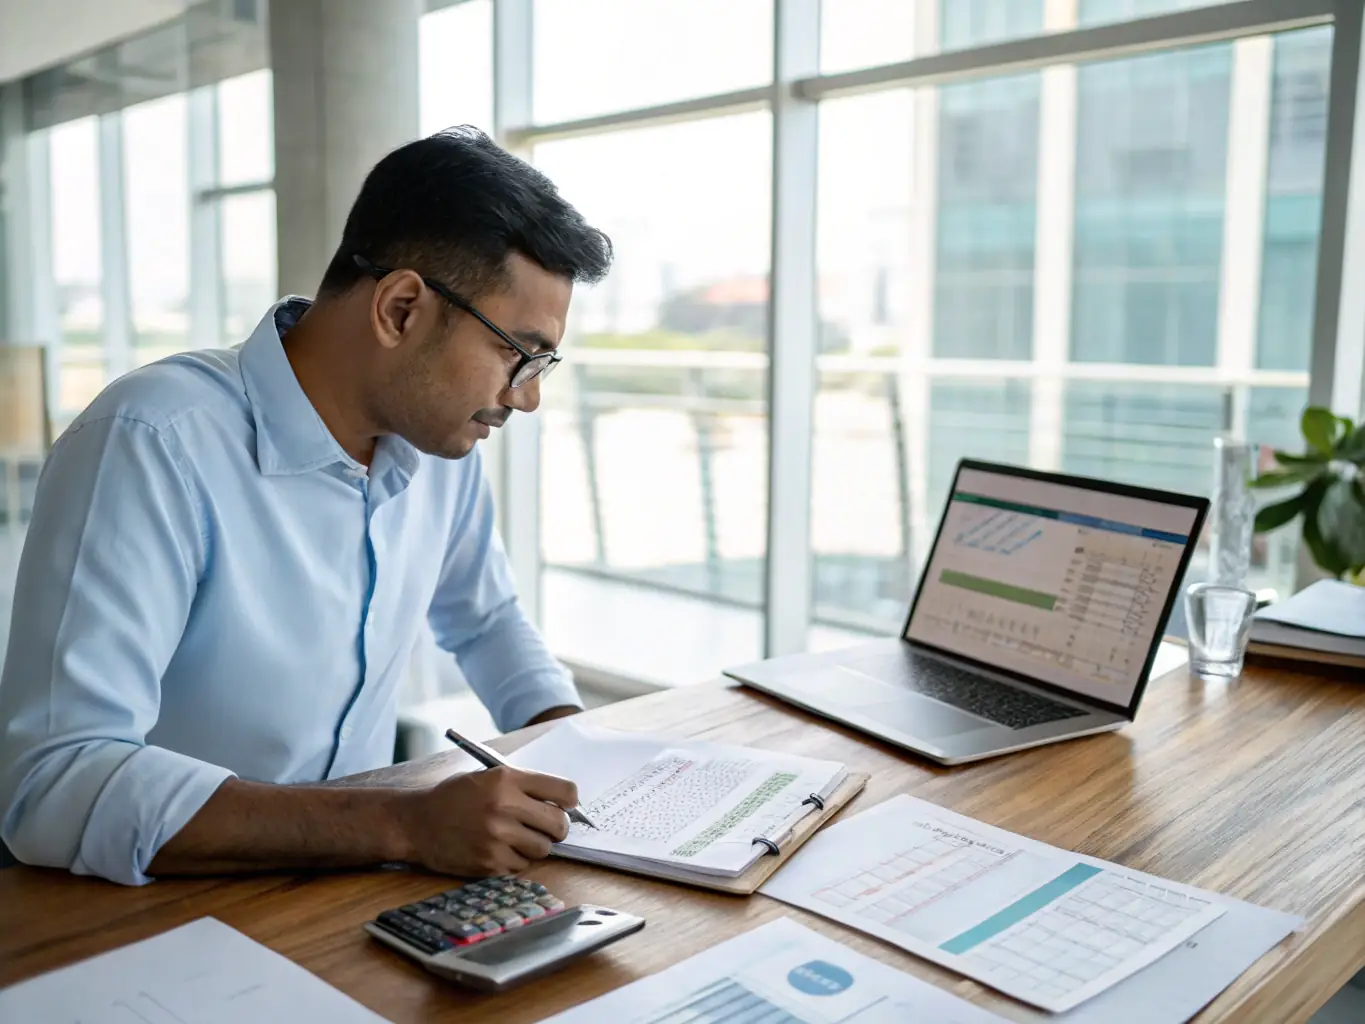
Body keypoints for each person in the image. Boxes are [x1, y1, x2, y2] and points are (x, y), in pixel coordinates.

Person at [0, 127, 613, 886]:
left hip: (348, 890)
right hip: (154, 907)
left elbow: (485, 620)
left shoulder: (440, 450)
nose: (526, 397)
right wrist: (403, 823)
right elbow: (56, 781)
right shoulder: (151, 441)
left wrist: (581, 753)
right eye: (517, 355)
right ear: (399, 310)